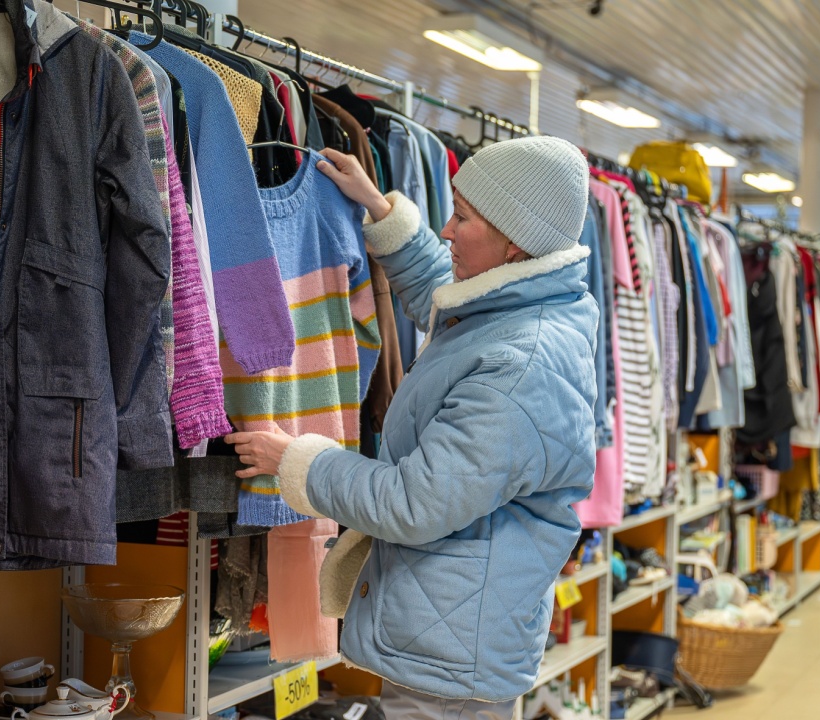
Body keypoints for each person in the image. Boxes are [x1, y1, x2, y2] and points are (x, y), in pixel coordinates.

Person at [228, 136, 599, 719]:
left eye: (463, 218)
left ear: (514, 243)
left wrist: (296, 461)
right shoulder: (524, 306)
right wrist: (381, 211)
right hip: (453, 625)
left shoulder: (519, 364)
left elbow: (415, 503)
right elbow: (446, 299)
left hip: (452, 653)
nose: (447, 230)